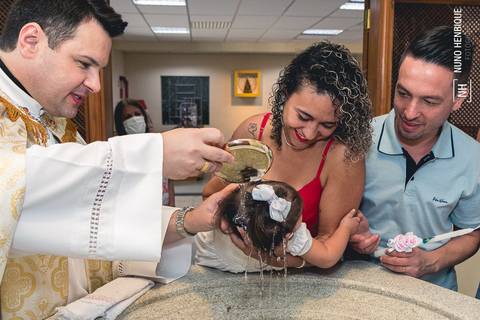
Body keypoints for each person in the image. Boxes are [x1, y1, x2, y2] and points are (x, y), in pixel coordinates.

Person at [0, 0, 235, 318]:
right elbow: (10, 188)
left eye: (99, 69)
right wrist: (153, 155)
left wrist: (190, 220)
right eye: (84, 64)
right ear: (31, 41)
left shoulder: (54, 124)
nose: (96, 85)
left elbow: (89, 223)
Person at [200, 41, 373, 269]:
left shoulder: (343, 157)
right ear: (284, 95)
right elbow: (212, 193)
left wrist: (267, 257)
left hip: (300, 277)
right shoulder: (253, 133)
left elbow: (327, 247)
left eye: (327, 124)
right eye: (303, 116)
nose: (310, 133)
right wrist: (228, 223)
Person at [350, 26, 480, 291]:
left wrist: (429, 262)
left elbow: (472, 233)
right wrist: (348, 233)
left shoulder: (472, 158)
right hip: (357, 288)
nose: (409, 112)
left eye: (429, 102)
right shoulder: (356, 141)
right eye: (403, 93)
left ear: (457, 100)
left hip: (433, 293)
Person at [196, 180, 361, 273]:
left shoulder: (229, 211)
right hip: (231, 262)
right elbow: (328, 257)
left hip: (210, 257)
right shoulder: (292, 237)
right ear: (289, 234)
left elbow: (207, 191)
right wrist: (346, 228)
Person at [115, 99, 175, 206]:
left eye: (137, 114)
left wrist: (172, 205)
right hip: (139, 210)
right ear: (121, 124)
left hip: (163, 205)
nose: (134, 119)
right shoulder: (118, 151)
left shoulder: (157, 143)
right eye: (128, 117)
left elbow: (169, 178)